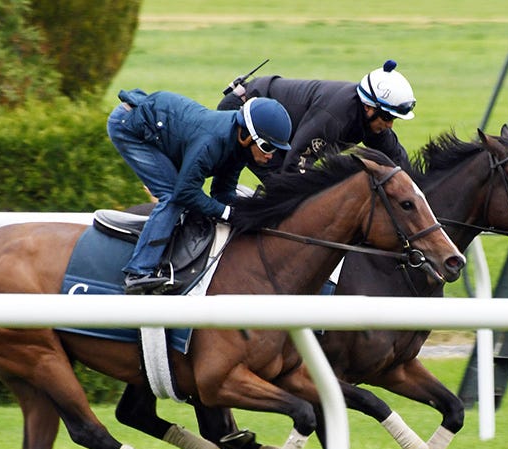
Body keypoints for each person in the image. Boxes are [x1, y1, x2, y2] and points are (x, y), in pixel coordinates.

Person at [107, 89, 292, 294]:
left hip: (161, 128)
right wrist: (228, 213)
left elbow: (222, 193)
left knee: (186, 201)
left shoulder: (239, 148)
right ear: (246, 137)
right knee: (172, 198)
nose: (270, 156)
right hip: (131, 127)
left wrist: (249, 213)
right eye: (267, 147)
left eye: (276, 150)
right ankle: (138, 272)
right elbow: (185, 193)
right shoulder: (211, 142)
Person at [217, 59, 416, 185]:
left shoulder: (373, 119)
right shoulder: (334, 117)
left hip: (280, 133)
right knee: (287, 191)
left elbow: (397, 158)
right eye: (387, 117)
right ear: (368, 107)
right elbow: (296, 164)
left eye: (394, 118)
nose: (389, 125)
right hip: (244, 114)